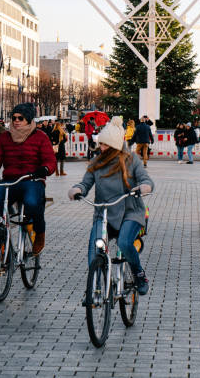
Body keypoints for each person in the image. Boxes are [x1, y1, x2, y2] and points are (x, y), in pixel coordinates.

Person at [68, 117, 154, 295]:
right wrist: (78, 189)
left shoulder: (131, 160)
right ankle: (96, 287)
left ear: (114, 145)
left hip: (130, 212)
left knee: (124, 242)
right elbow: (86, 182)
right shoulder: (96, 162)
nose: (101, 148)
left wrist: (143, 187)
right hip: (104, 213)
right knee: (95, 248)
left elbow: (146, 179)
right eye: (101, 144)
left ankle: (138, 274)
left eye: (105, 145)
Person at [0, 103, 56, 255]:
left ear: (28, 119)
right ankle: (0, 242)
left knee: (33, 203)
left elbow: (50, 161)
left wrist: (44, 169)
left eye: (20, 118)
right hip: (10, 180)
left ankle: (39, 233)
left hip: (32, 179)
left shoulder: (40, 137)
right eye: (13, 117)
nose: (16, 120)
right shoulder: (6, 137)